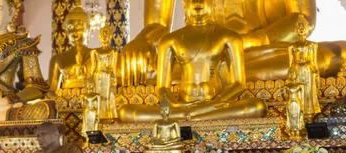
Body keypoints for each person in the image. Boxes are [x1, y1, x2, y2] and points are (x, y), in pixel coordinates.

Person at [119, 0, 346, 84]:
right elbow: (156, 26)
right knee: (120, 70)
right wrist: (143, 40)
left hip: (263, 50)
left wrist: (244, 43)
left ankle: (197, 86)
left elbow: (302, 19)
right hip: (197, 57)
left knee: (334, 54)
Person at [119, 0, 267, 122]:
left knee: (257, 106)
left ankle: (187, 117)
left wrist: (215, 102)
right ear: (184, 3)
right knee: (125, 111)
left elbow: (239, 83)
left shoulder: (229, 37)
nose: (198, 2)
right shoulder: (170, 40)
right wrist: (174, 104)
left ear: (212, 3)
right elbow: (162, 87)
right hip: (181, 105)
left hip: (214, 103)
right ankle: (196, 117)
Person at [90, 26, 118, 121]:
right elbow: (93, 67)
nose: (104, 36)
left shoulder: (113, 51)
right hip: (97, 76)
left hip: (107, 76)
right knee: (98, 97)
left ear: (110, 36)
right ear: (99, 36)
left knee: (106, 97)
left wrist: (114, 83)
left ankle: (107, 116)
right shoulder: (94, 51)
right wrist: (90, 80)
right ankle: (97, 116)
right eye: (102, 34)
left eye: (106, 34)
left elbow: (113, 68)